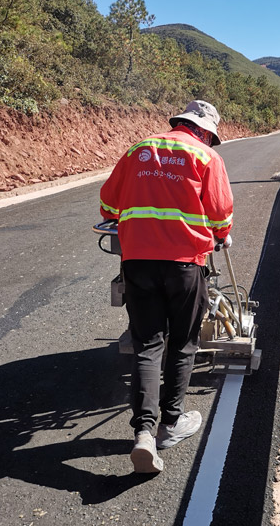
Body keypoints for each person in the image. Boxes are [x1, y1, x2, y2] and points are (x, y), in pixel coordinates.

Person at [99, 100, 234, 474]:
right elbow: (220, 213)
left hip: (137, 262)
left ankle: (143, 433)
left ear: (180, 122)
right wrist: (222, 234)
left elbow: (108, 203)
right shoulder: (206, 156)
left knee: (147, 344)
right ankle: (171, 424)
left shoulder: (138, 150)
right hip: (184, 264)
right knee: (183, 343)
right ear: (204, 131)